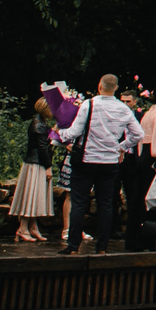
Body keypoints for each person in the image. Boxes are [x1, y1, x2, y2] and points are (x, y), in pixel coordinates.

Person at [56, 76, 140, 256]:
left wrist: (59, 133)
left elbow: (76, 131)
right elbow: (138, 134)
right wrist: (121, 147)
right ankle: (102, 247)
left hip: (87, 158)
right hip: (109, 162)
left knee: (79, 202)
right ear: (116, 88)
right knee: (106, 204)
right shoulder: (124, 108)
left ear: (99, 86)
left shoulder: (89, 105)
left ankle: (73, 246)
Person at [128, 86, 156, 252]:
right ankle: (147, 241)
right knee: (150, 200)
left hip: (144, 155)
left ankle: (134, 239)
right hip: (153, 155)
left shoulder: (148, 113)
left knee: (139, 197)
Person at [10, 95, 57, 245]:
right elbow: (42, 148)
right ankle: (23, 228)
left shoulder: (40, 123)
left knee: (34, 196)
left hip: (35, 162)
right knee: (30, 196)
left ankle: (32, 226)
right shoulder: (39, 125)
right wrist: (49, 167)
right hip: (35, 164)